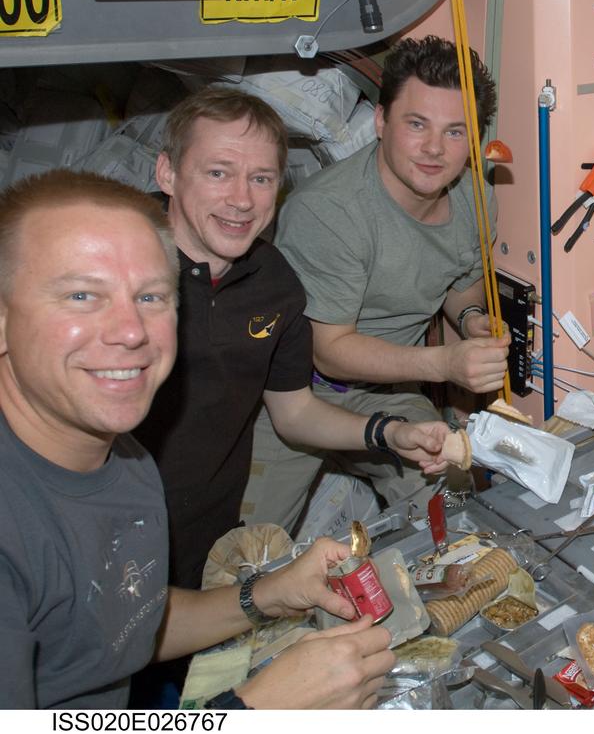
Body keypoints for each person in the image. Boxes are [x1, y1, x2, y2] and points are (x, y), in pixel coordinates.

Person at [0, 170, 394, 709]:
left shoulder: (126, 460)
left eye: (150, 296)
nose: (131, 330)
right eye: (82, 294)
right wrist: (258, 709)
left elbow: (121, 624)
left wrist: (269, 595)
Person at [134, 87, 450, 593]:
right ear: (167, 172)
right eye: (218, 173)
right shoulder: (114, 262)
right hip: (113, 536)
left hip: (205, 538)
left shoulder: (275, 284)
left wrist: (388, 433)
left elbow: (295, 412)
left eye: (261, 178)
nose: (242, 199)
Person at [242, 36, 509, 533]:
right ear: (382, 121)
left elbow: (461, 284)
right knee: (246, 557)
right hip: (296, 395)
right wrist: (446, 363)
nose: (434, 149)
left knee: (459, 515)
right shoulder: (329, 211)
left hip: (390, 392)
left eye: (455, 131)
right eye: (417, 124)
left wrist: (473, 320)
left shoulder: (476, 199)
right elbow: (330, 351)